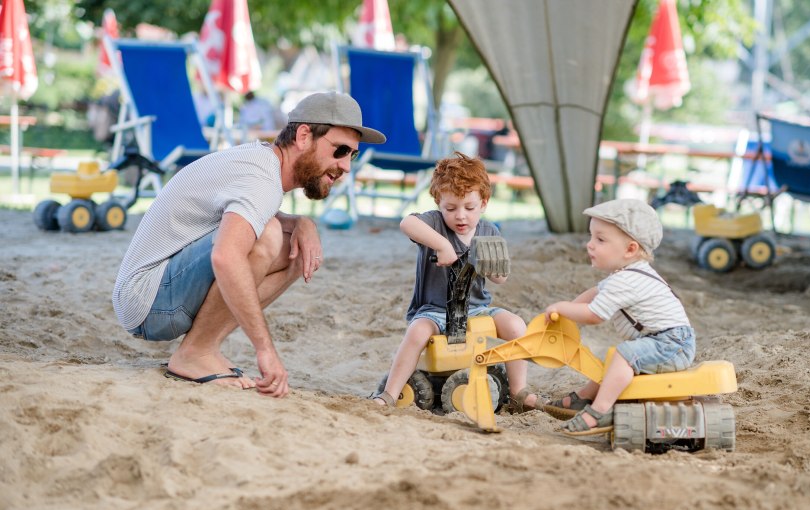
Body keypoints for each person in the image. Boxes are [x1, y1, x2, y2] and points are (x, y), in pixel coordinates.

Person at [112, 91, 386, 398]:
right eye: (340, 151)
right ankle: (196, 352)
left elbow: (248, 213)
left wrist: (301, 223)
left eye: (353, 155)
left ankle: (200, 349)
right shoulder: (261, 178)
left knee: (296, 250)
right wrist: (265, 350)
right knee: (267, 236)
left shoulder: (261, 165)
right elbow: (226, 256)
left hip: (154, 296)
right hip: (148, 301)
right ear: (304, 136)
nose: (346, 166)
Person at [371, 152, 535, 410]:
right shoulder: (434, 224)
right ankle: (390, 394)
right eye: (451, 208)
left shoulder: (489, 230)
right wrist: (442, 245)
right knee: (417, 332)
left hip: (477, 309)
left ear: (483, 203)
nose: (460, 216)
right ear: (438, 203)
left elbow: (500, 278)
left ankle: (518, 393)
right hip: (434, 311)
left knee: (516, 325)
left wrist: (492, 268)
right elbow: (407, 223)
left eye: (469, 208)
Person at [536, 199, 695, 435]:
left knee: (624, 355)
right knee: (616, 357)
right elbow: (593, 294)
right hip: (668, 341)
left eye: (600, 239)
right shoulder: (626, 274)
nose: (590, 245)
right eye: (591, 237)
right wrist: (566, 311)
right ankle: (584, 397)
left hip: (672, 345)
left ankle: (599, 411)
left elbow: (594, 315)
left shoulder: (627, 280)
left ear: (630, 249)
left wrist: (561, 308)